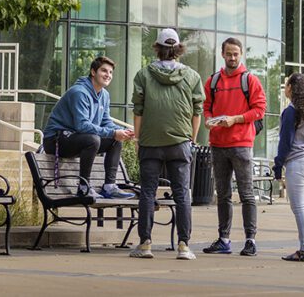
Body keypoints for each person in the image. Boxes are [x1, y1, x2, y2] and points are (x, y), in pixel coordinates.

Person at [129, 28, 204, 261]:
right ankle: (183, 245)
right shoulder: (192, 76)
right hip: (180, 141)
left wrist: (139, 139)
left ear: (158, 48)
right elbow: (197, 111)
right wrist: (191, 137)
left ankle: (145, 244)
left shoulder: (143, 75)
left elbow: (138, 110)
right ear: (178, 49)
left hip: (151, 141)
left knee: (148, 192)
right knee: (182, 193)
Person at [201, 37, 267, 257]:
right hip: (218, 144)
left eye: (235, 54)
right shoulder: (213, 81)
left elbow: (259, 110)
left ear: (241, 55)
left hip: (241, 144)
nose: (232, 57)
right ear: (222, 54)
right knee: (223, 195)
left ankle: (250, 240)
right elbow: (207, 107)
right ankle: (224, 239)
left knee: (247, 194)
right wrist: (209, 119)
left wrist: (236, 119)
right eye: (228, 53)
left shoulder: (251, 80)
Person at [42, 55, 134, 199]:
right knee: (93, 139)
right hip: (56, 140)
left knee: (115, 140)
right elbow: (82, 126)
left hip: (77, 139)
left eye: (110, 72)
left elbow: (105, 121)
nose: (108, 75)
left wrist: (121, 131)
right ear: (93, 72)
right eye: (104, 71)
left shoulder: (104, 95)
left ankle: (109, 187)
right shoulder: (79, 92)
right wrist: (113, 132)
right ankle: (84, 187)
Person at [274, 72, 304, 262]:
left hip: (298, 163)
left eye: (286, 85)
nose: (285, 88)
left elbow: (285, 141)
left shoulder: (291, 111)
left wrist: (278, 165)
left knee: (299, 208)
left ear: (291, 88)